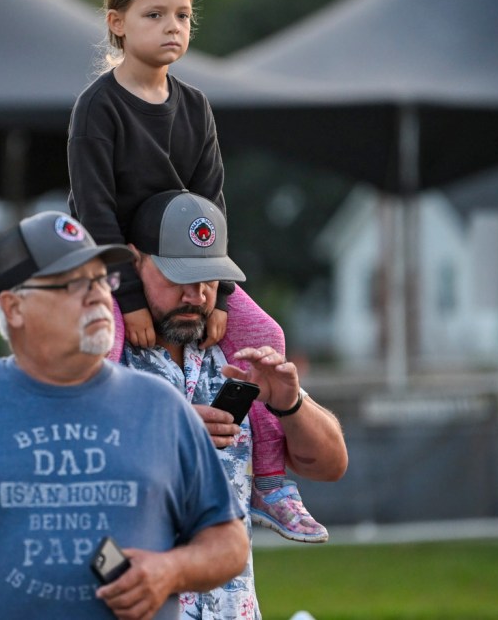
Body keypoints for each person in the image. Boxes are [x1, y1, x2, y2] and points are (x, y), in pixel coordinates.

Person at [0, 211, 249, 620]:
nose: (98, 296)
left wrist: (170, 570)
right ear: (14, 308)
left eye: (101, 280)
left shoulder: (161, 406)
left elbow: (230, 543)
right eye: (73, 284)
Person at [67, 0, 327, 543]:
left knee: (266, 337)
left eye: (182, 16)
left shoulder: (195, 107)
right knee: (103, 350)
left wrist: (220, 297)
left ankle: (270, 482)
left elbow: (212, 207)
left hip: (191, 263)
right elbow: (96, 212)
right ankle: (100, 479)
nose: (172, 27)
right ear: (117, 23)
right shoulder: (98, 108)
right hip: (112, 267)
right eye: (154, 15)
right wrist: (129, 298)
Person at [118, 190, 349, 618]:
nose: (196, 295)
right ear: (135, 262)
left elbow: (330, 466)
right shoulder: (106, 360)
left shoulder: (235, 351)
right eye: (177, 276)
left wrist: (290, 403)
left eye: (209, 278)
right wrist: (164, 429)